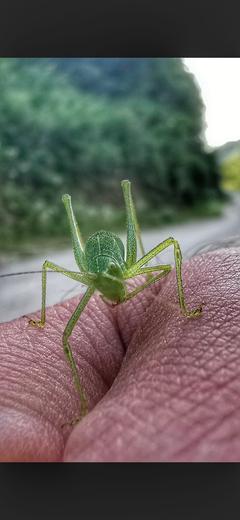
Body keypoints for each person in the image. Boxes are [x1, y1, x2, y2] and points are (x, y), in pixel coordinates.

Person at [0, 244, 240, 462]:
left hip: (119, 263)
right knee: (65, 337)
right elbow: (47, 267)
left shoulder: (128, 269)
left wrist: (181, 304)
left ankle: (184, 308)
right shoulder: (91, 277)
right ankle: (82, 405)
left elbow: (169, 257)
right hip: (94, 267)